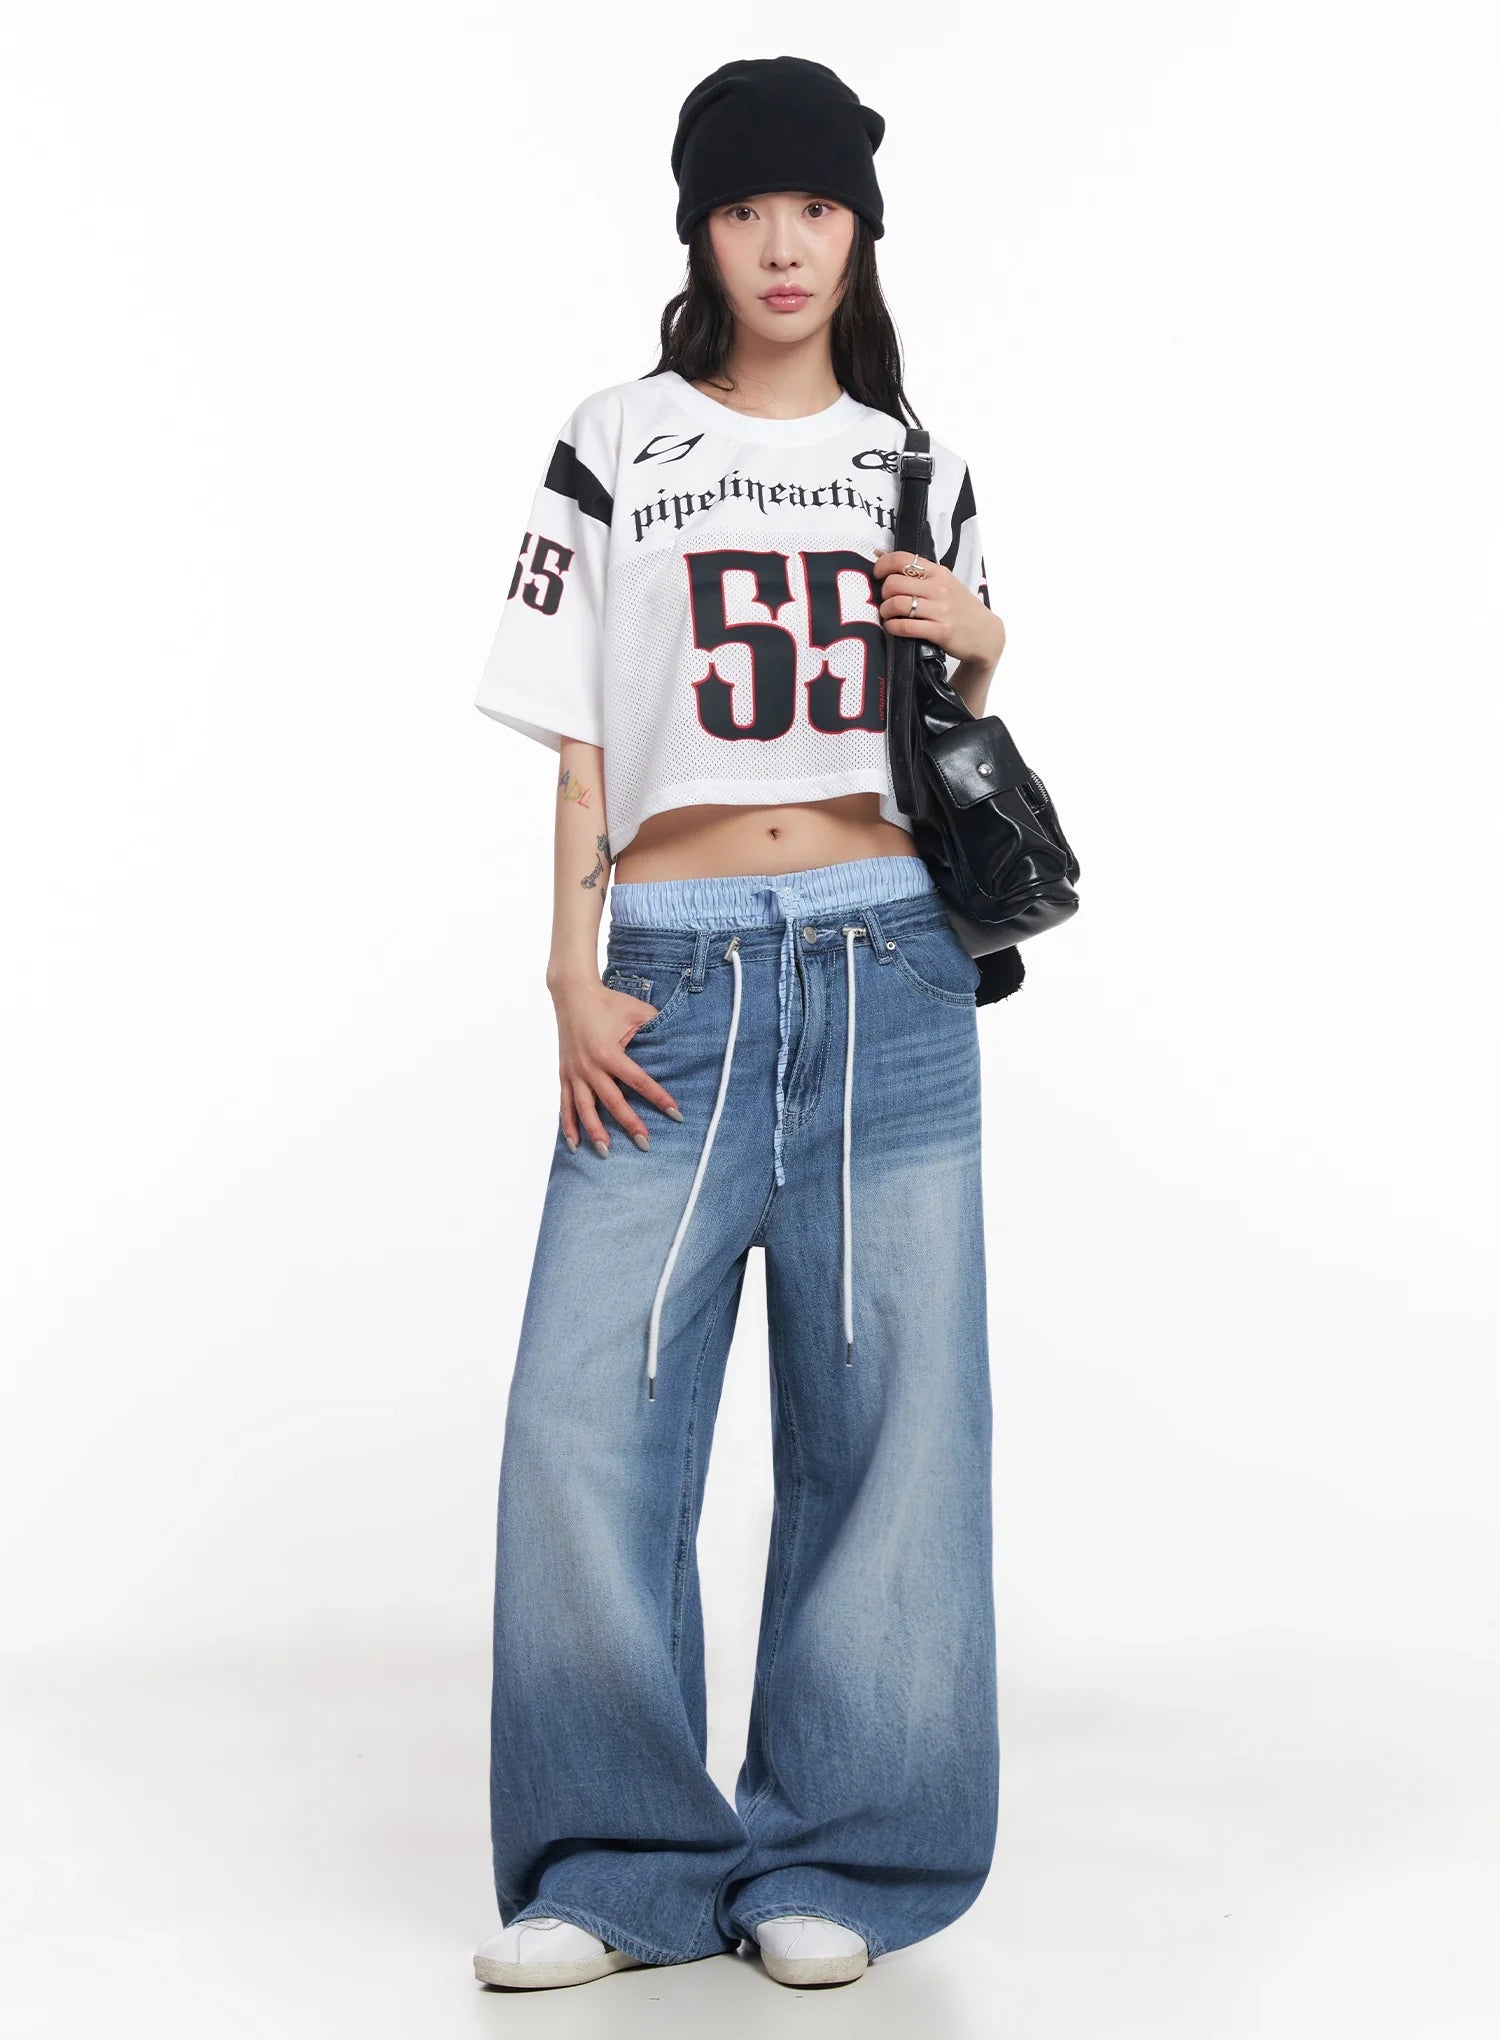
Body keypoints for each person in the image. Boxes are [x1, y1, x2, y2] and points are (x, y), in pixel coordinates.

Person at [470, 55, 1009, 1993]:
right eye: (746, 208)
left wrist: (988, 642)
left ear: (862, 231)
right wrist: (570, 964)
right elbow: (581, 738)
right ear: (700, 231)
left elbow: (948, 729)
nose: (785, 243)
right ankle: (614, 1863)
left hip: (891, 964)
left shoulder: (914, 459)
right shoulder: (617, 439)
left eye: (819, 207)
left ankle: (844, 1858)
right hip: (674, 971)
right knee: (584, 1418)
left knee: (893, 1422)